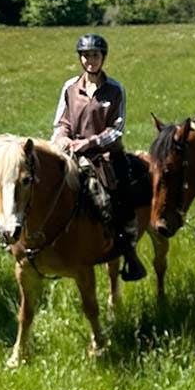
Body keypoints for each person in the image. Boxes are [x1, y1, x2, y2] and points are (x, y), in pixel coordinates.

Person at [51, 33, 146, 282]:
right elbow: (61, 122)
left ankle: (128, 252)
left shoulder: (114, 89)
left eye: (94, 55)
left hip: (105, 156)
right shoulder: (70, 87)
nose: (90, 60)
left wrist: (90, 142)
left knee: (117, 200)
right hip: (72, 152)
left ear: (103, 57)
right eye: (85, 55)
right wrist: (62, 138)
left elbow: (117, 128)